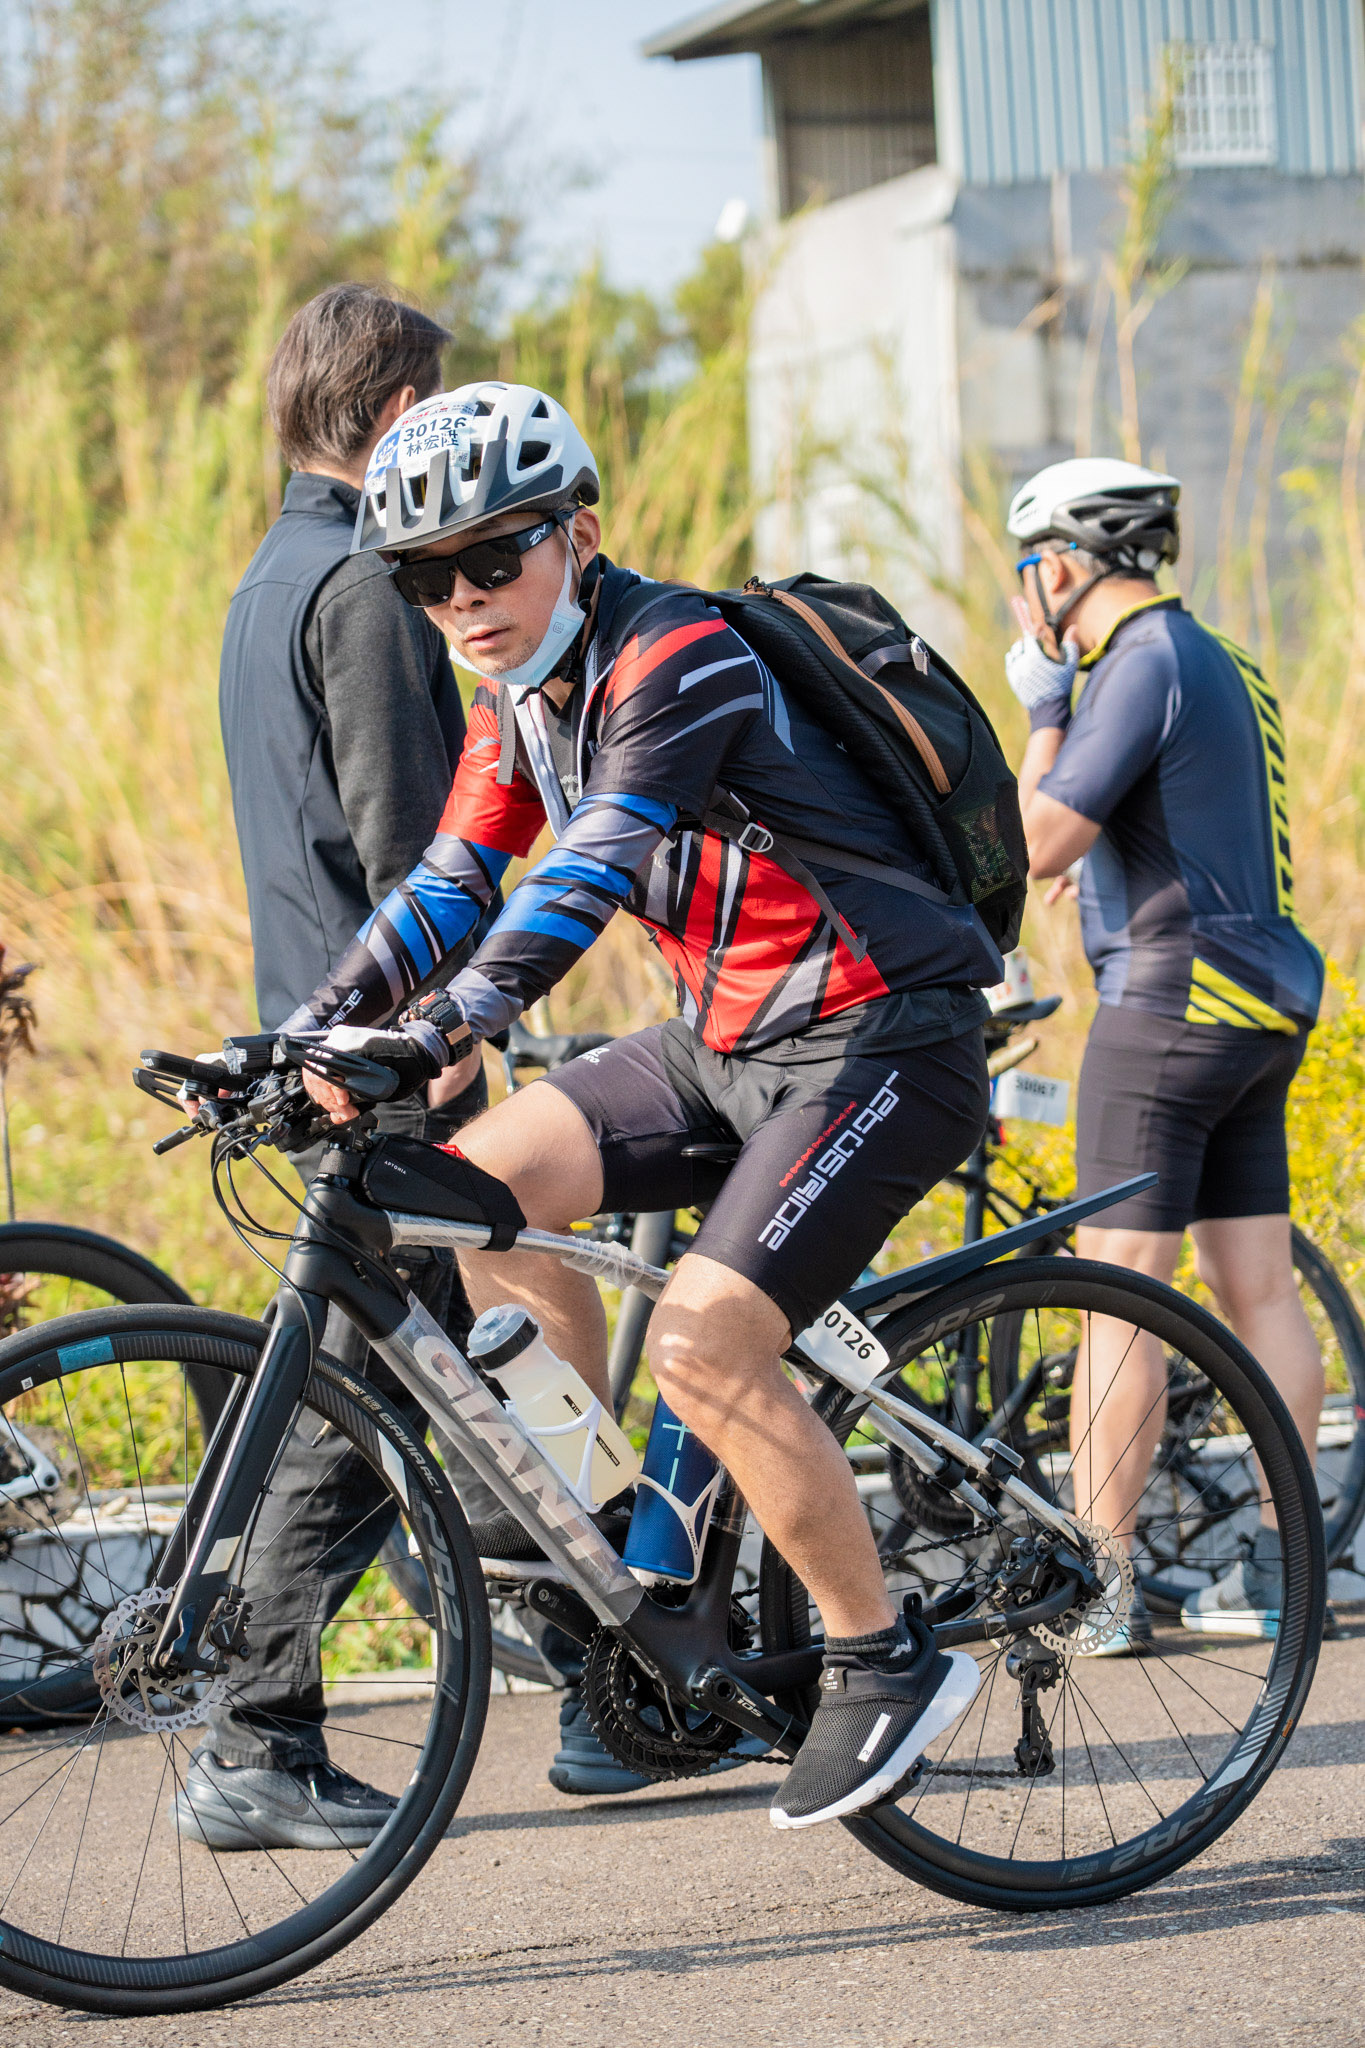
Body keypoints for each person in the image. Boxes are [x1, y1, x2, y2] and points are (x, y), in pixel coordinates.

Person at [285, 378, 1003, 1831]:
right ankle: (624, 1530)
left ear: (581, 532)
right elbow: (451, 880)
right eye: (426, 578)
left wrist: (446, 1025)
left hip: (880, 1036)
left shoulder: (676, 653)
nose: (463, 598)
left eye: (494, 556)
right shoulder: (516, 700)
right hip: (726, 1040)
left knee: (702, 1340)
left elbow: (588, 866)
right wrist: (302, 1028)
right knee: (469, 1190)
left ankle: (882, 1657)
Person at [176, 286, 492, 1853]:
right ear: (398, 417)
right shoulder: (369, 581)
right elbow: (407, 848)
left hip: (307, 1031)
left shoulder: (267, 576)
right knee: (375, 1397)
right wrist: (452, 1027)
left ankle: (586, 1666)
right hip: (371, 1050)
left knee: (420, 1376)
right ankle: (258, 1734)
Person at [1004, 456, 1325, 1649]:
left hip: (1168, 1010)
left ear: (1065, 564)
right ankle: (1284, 1567)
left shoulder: (1135, 663)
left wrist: (1042, 710)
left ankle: (1105, 1587)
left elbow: (1035, 839)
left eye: (1029, 565)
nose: (1025, 589)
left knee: (1120, 1306)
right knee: (1259, 1290)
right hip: (1258, 1008)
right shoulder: (1218, 655)